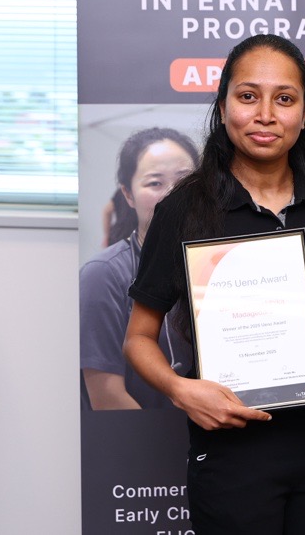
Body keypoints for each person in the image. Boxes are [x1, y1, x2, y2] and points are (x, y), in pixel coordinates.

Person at [123, 34, 305, 535]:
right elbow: (137, 337)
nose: (265, 114)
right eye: (248, 96)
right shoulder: (184, 210)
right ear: (222, 107)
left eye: (284, 99)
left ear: (304, 113)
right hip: (231, 457)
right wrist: (180, 389)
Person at [80, 127, 199, 410]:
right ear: (128, 195)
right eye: (155, 183)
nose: (172, 194)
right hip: (144, 442)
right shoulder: (103, 275)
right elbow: (107, 397)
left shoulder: (218, 261)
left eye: (185, 180)